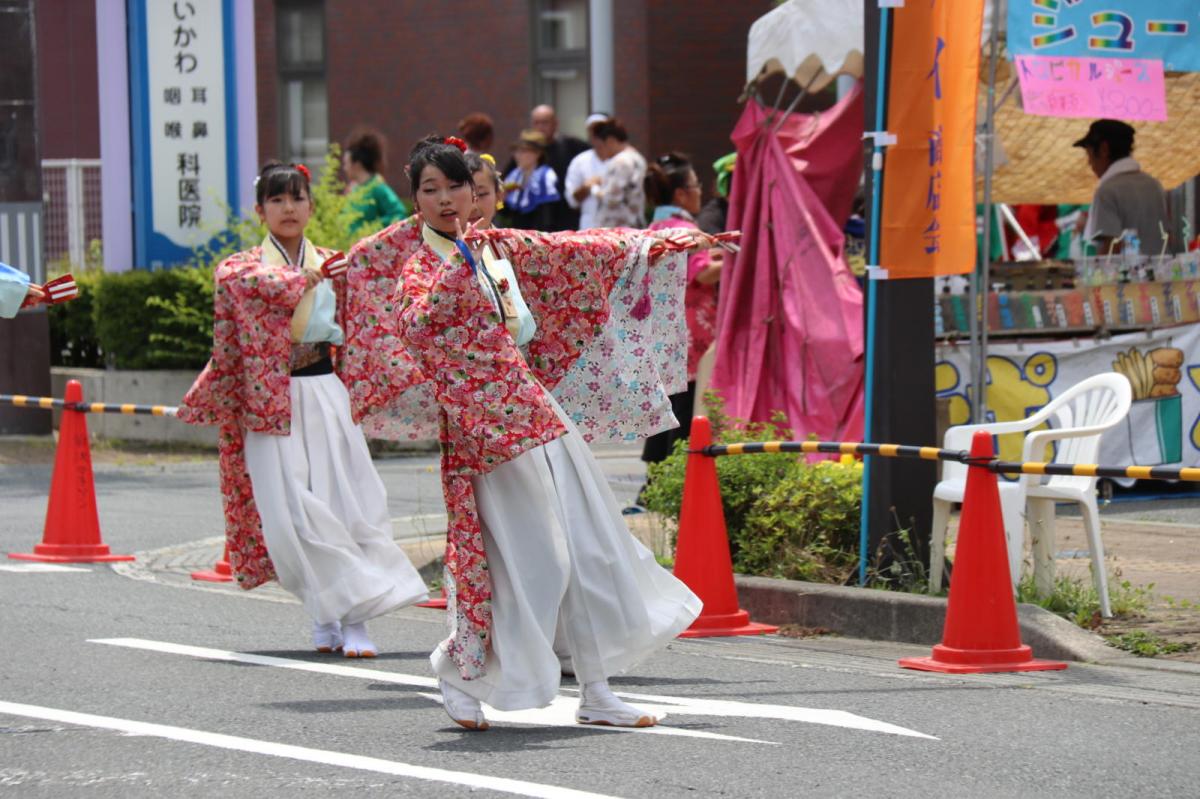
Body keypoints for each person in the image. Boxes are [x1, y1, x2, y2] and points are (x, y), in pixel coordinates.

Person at [393, 136, 715, 730]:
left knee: (594, 548)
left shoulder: (497, 247)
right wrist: (457, 267)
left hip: (537, 412)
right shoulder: (420, 270)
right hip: (485, 434)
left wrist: (659, 243)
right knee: (535, 561)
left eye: (456, 186)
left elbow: (575, 248)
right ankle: (459, 669)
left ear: (474, 193)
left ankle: (597, 691)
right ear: (415, 202)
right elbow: (417, 325)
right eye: (430, 190)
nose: (445, 199)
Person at [178, 162, 428, 657]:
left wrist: (430, 212)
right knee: (291, 513)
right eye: (277, 200)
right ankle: (324, 609)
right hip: (270, 404)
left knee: (345, 502)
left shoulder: (334, 264)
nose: (288, 208)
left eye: (297, 198)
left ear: (312, 207)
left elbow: (382, 260)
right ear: (260, 211)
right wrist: (306, 279)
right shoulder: (241, 268)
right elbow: (250, 283)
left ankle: (354, 618)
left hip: (323, 390)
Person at [639, 153, 723, 479]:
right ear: (680, 194)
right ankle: (677, 481)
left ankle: (654, 482)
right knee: (686, 410)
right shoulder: (686, 230)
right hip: (691, 331)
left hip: (659, 329)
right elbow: (703, 273)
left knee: (665, 406)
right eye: (696, 185)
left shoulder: (654, 228)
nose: (700, 191)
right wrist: (739, 258)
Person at [1073, 119, 1172, 255]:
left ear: (1104, 149)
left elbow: (1111, 247)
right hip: (1162, 267)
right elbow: (1167, 236)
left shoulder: (1107, 191)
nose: (1089, 163)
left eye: (1089, 155)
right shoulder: (1155, 185)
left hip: (1127, 268)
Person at [529, 104, 588, 230]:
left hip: (567, 217)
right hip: (536, 221)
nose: (540, 127)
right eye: (536, 123)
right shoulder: (526, 150)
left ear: (555, 124)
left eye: (545, 123)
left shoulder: (572, 145)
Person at [343, 126, 409, 231]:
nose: (344, 168)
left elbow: (398, 213)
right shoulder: (353, 189)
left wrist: (372, 228)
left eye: (346, 163)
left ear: (357, 164)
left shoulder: (377, 187)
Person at [591, 118, 647, 229]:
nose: (601, 151)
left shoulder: (621, 161)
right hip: (633, 223)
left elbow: (612, 197)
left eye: (601, 146)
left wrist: (594, 188)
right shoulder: (638, 158)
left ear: (610, 141)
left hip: (618, 227)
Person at [501, 130, 561, 231]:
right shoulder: (515, 175)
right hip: (516, 234)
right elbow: (507, 213)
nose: (518, 155)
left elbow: (547, 217)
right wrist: (502, 200)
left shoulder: (545, 176)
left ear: (538, 153)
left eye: (523, 151)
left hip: (537, 234)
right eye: (517, 151)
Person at [563, 113, 609, 230]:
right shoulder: (580, 161)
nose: (597, 134)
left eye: (601, 129)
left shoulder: (622, 160)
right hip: (589, 227)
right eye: (593, 130)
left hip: (619, 227)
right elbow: (572, 201)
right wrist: (586, 188)